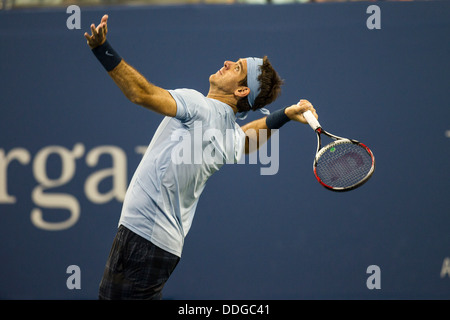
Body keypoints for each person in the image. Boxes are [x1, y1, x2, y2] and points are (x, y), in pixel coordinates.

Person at [84, 14, 318, 300]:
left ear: (242, 90)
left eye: (237, 67)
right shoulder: (229, 133)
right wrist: (285, 115)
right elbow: (247, 140)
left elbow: (140, 94)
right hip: (157, 244)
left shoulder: (199, 107)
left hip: (144, 240)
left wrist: (102, 48)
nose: (227, 63)